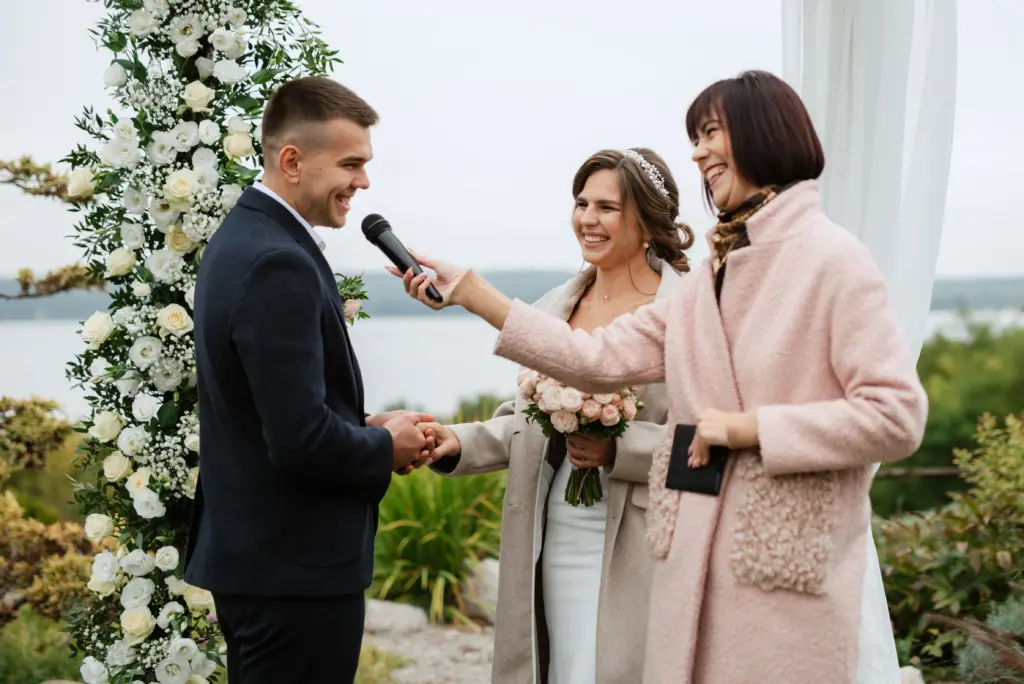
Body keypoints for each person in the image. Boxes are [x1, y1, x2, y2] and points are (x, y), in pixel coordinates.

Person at [393, 71, 928, 684]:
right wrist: (472, 292)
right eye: (694, 137)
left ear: (764, 135)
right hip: (694, 556)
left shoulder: (834, 260)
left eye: (709, 132)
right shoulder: (710, 278)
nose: (696, 152)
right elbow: (594, 359)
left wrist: (749, 429)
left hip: (783, 559)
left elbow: (897, 416)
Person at [406, 148, 692, 684]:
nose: (587, 218)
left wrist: (619, 450)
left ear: (648, 219)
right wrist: (456, 440)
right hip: (558, 525)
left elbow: (711, 445)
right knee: (564, 666)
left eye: (607, 206)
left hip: (647, 539)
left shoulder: (687, 310)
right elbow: (524, 419)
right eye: (581, 202)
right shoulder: (555, 305)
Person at [185, 76, 435, 683]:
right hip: (293, 573)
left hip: (265, 565)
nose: (365, 182)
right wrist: (386, 445)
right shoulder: (278, 261)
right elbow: (299, 441)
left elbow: (271, 410)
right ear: (292, 161)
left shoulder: (244, 238)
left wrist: (361, 424)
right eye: (351, 163)